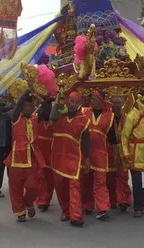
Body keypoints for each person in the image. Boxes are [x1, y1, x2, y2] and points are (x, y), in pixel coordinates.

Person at [4, 89, 46, 222]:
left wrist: (35, 94)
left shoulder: (35, 117)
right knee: (15, 188)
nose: (30, 108)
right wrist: (27, 89)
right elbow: (18, 104)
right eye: (26, 105)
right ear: (22, 107)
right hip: (17, 159)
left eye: (31, 105)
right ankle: (19, 212)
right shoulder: (15, 117)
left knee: (33, 186)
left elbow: (46, 106)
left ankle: (28, 203)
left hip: (33, 158)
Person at [50, 91, 90, 227]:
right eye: (70, 101)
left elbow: (86, 141)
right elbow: (52, 117)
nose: (72, 104)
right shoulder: (59, 115)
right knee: (60, 186)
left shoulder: (84, 120)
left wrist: (88, 158)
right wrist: (56, 102)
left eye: (75, 101)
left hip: (73, 157)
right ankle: (66, 211)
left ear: (80, 103)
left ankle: (76, 215)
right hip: (57, 156)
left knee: (74, 186)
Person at [80, 90, 117, 221]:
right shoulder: (84, 112)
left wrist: (116, 154)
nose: (91, 102)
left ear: (101, 101)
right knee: (86, 181)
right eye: (91, 99)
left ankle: (102, 208)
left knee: (100, 182)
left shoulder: (110, 116)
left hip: (101, 153)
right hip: (86, 153)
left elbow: (112, 138)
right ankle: (87, 205)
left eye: (94, 100)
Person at [107, 96, 132, 213]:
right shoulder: (107, 117)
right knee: (110, 177)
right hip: (108, 149)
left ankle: (123, 200)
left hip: (123, 149)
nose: (117, 105)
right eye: (115, 103)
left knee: (123, 176)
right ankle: (111, 200)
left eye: (119, 103)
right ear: (111, 103)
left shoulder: (126, 117)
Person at [35, 97, 55, 212]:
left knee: (50, 179)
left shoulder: (56, 122)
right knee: (40, 177)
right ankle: (42, 199)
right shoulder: (38, 121)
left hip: (52, 154)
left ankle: (46, 199)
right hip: (40, 154)